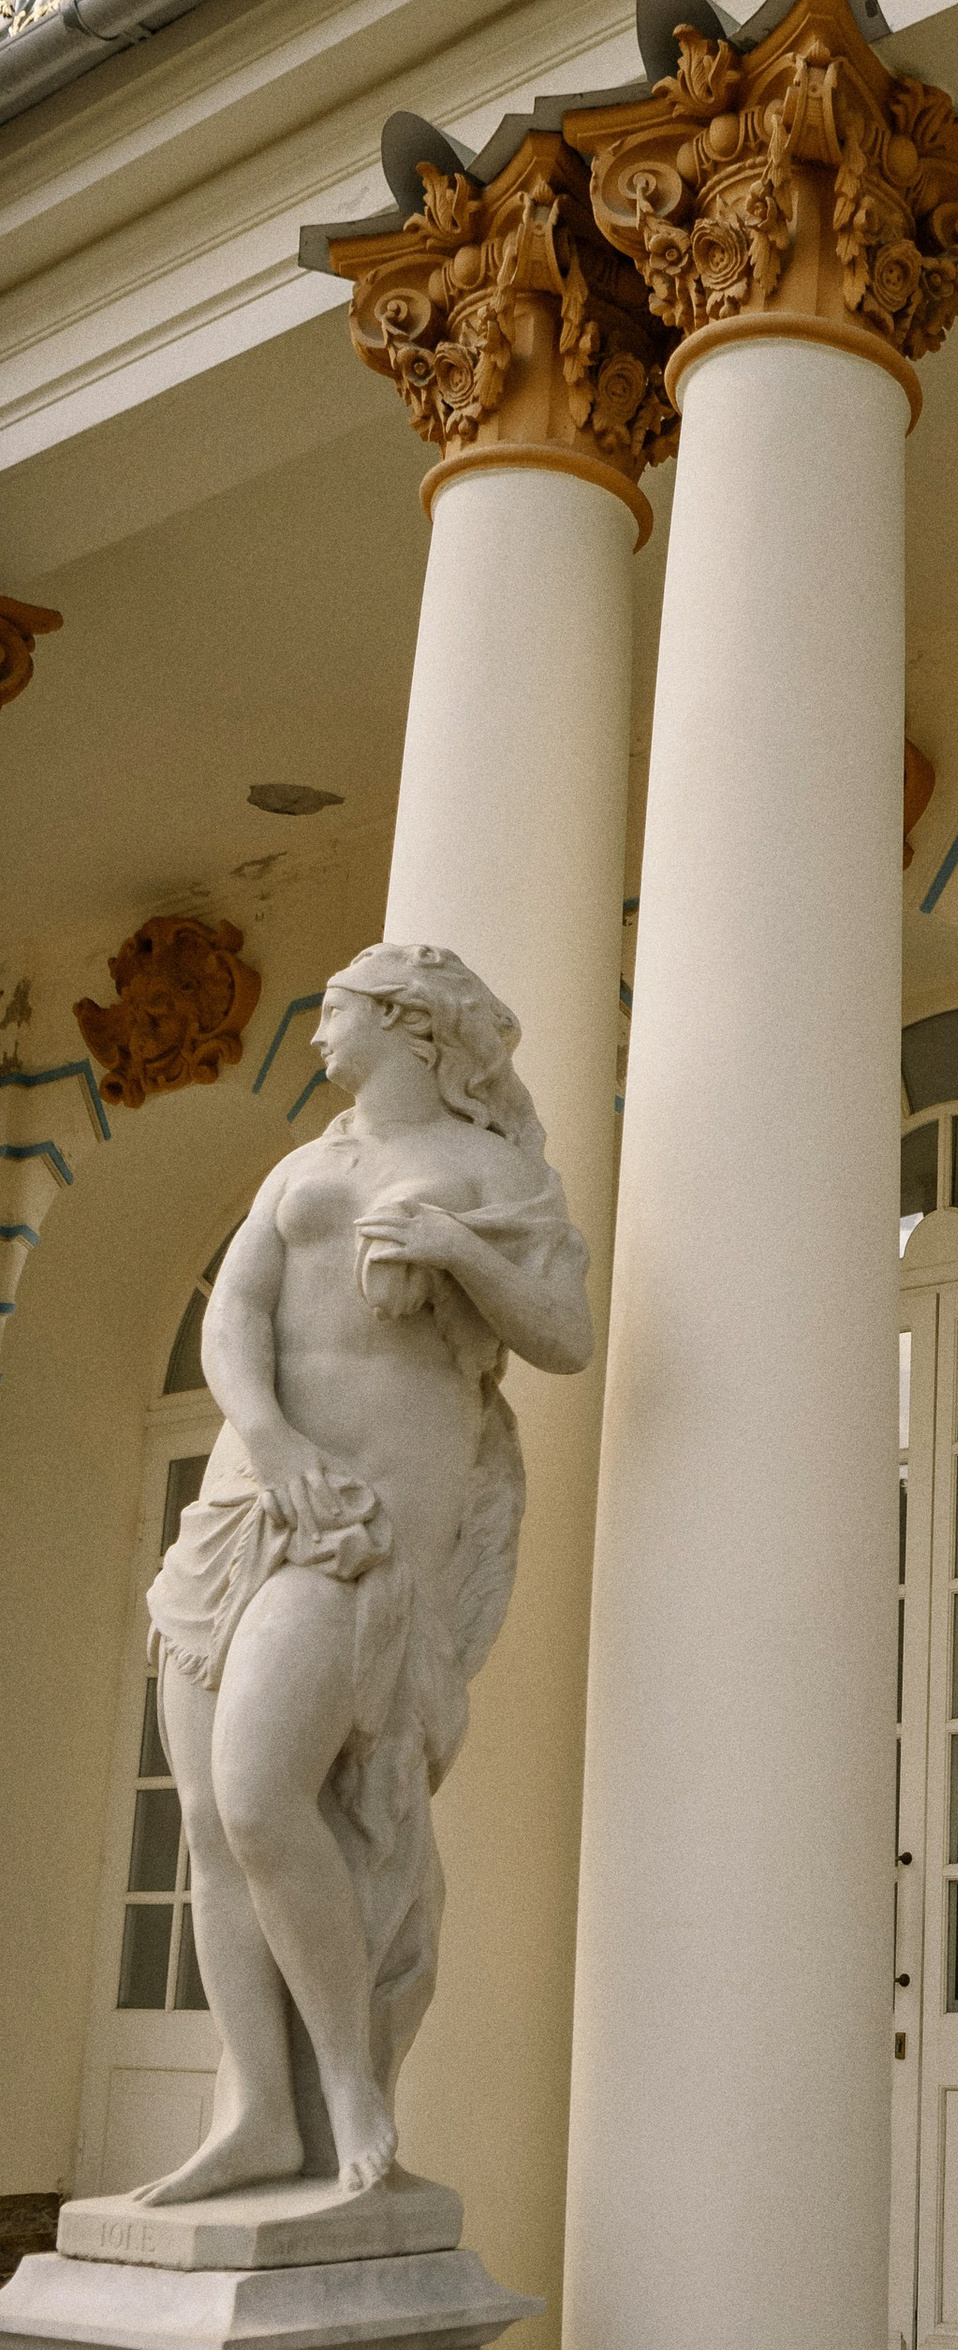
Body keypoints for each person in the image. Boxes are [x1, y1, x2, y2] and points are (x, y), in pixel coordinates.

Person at [140, 944, 591, 2209]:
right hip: (247, 1501)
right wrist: (271, 1440)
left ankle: (350, 2084)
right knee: (213, 1833)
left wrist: (458, 1248)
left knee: (260, 1789)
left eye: (334, 1010)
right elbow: (232, 1321)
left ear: (404, 1020)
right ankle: (260, 2112)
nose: (316, 1034)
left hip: (362, 1526)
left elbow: (563, 1335)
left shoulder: (490, 1171)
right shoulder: (301, 1168)